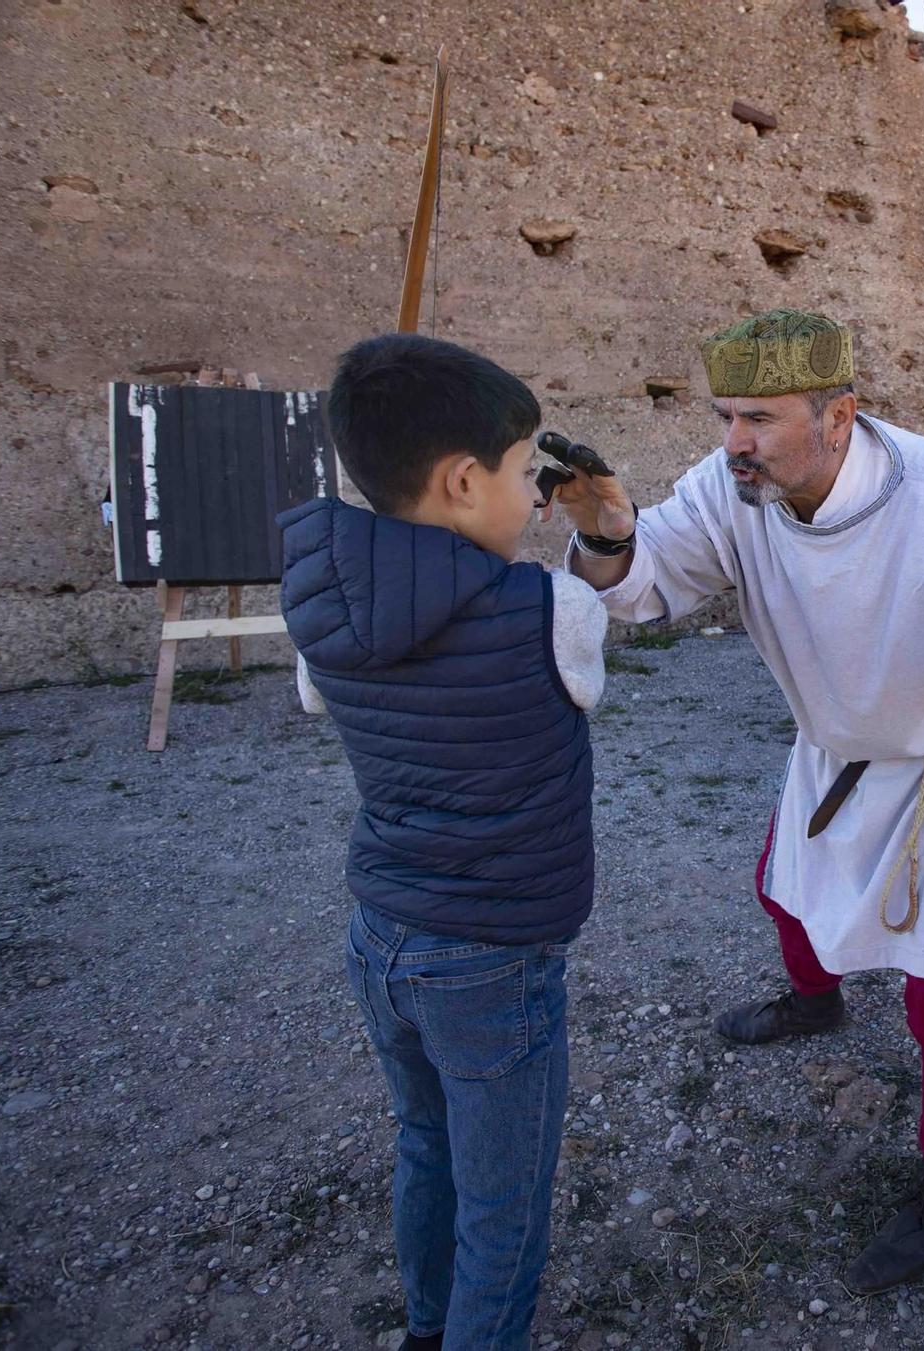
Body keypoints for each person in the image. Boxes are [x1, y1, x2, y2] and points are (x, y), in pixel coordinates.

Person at [550, 309, 924, 1294]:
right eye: (726, 416)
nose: (732, 443)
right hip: (831, 750)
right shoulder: (732, 489)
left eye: (756, 418)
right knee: (780, 890)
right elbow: (634, 589)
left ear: (838, 416)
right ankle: (816, 1002)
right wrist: (603, 536)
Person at [279, 334, 611, 1350]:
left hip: (382, 935)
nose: (535, 496)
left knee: (426, 1141)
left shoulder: (318, 601)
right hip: (493, 958)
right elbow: (588, 652)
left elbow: (316, 690)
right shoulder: (548, 605)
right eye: (522, 476)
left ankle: (428, 1327)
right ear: (463, 480)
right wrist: (600, 531)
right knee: (502, 1203)